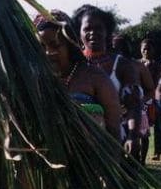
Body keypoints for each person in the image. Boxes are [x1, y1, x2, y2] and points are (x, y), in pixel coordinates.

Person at [70, 4, 152, 161]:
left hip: (114, 141)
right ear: (79, 33)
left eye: (98, 28)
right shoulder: (73, 65)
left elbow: (134, 104)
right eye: (87, 29)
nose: (92, 33)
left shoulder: (122, 65)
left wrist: (132, 136)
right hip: (78, 143)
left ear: (107, 31)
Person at [34, 10, 121, 139]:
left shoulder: (94, 77)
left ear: (70, 44)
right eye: (42, 46)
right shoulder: (35, 80)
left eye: (55, 45)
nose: (48, 52)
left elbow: (114, 131)